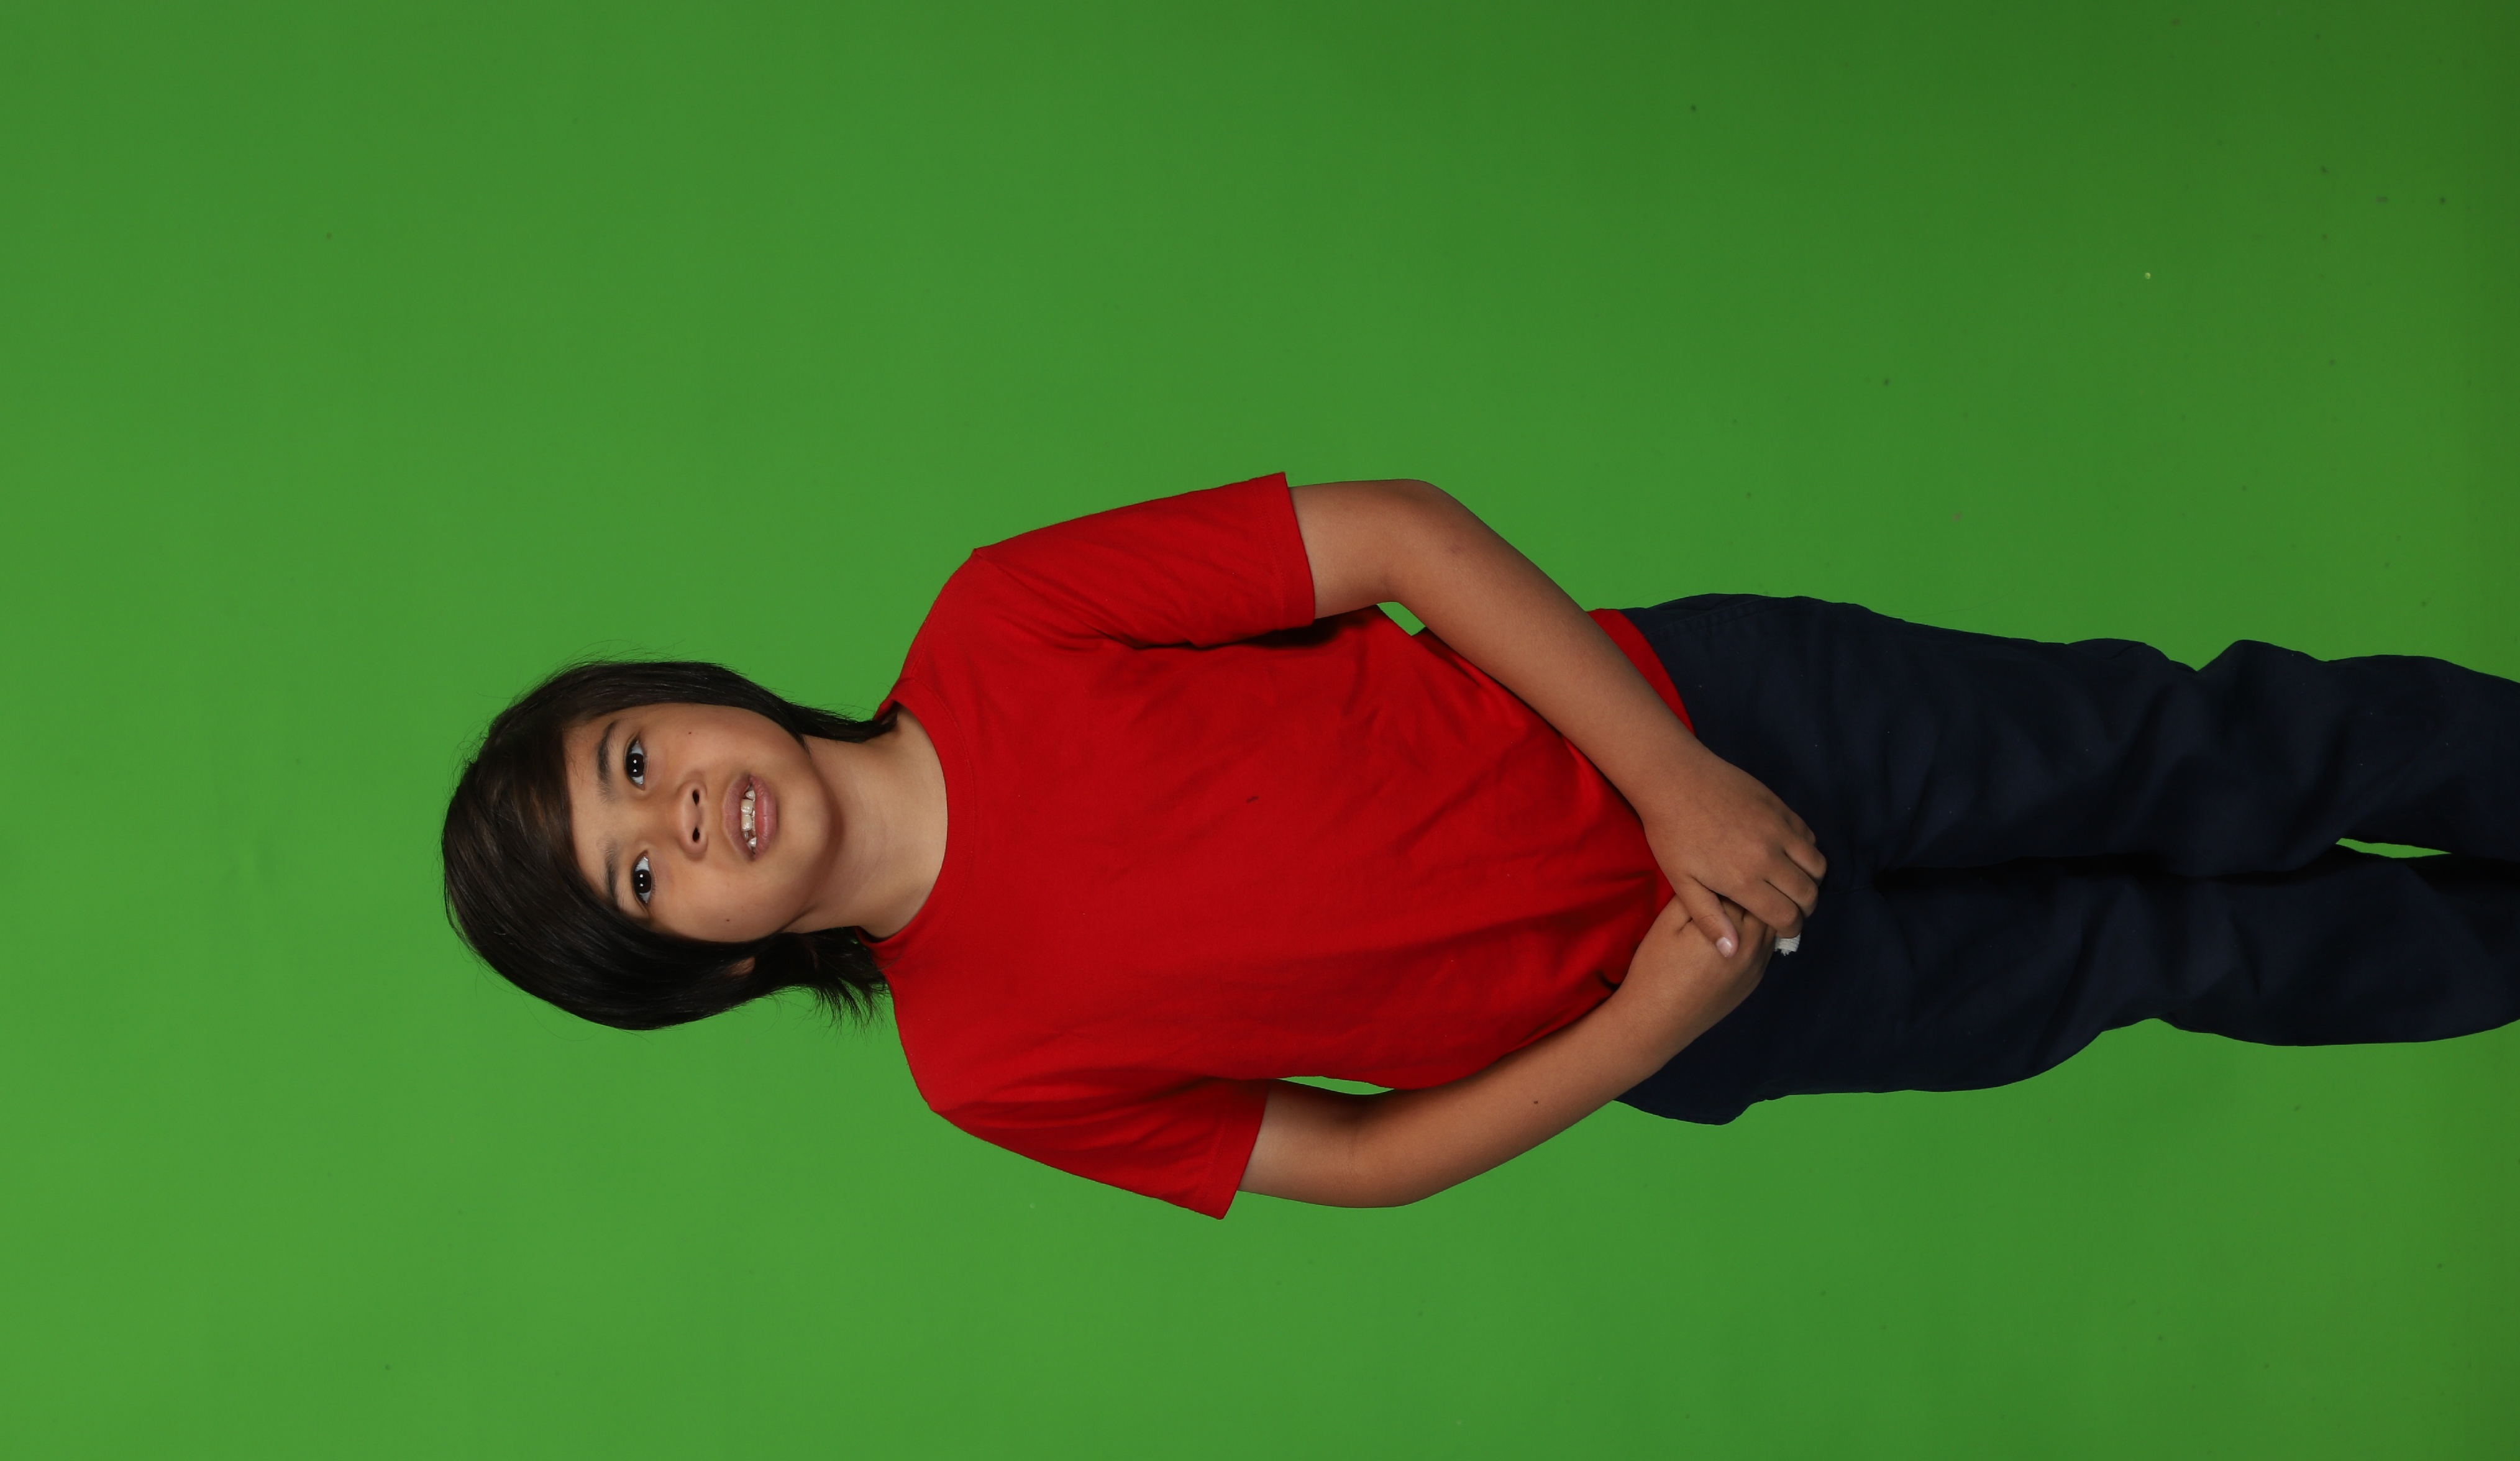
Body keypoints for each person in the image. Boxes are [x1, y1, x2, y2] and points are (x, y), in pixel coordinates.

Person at [441, 475, 2520, 1218]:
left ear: (686, 693)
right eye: (643, 876)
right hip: (1708, 1004)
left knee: (2192, 750)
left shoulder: (1006, 621)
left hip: (1731, 718)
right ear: (709, 964)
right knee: (2161, 958)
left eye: (633, 757)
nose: (675, 812)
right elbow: (1356, 1159)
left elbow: (1396, 537)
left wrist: (1675, 778)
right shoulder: (984, 1067)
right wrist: (1649, 1028)